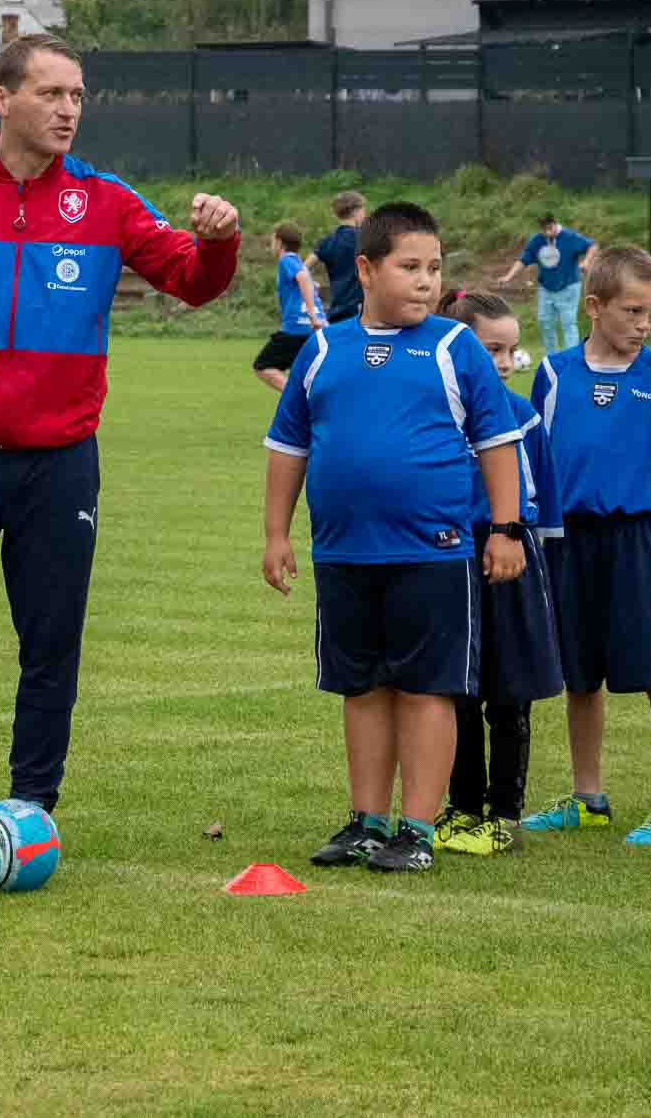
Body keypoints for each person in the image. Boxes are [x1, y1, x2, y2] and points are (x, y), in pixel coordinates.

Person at [0, 33, 241, 813]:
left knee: (51, 641)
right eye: (52, 93)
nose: (69, 109)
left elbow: (192, 280)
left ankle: (32, 803)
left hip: (60, 461)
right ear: (2, 98)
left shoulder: (106, 202)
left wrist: (219, 241)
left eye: (77, 95)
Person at [262, 205, 528, 874]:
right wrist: (276, 532)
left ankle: (417, 828)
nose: (425, 282)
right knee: (363, 687)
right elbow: (287, 445)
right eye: (409, 267)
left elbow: (497, 444)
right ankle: (366, 820)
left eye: (434, 268)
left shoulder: (453, 346)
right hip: (345, 553)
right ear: (366, 269)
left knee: (425, 689)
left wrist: (505, 527)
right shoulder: (323, 350)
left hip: (432, 552)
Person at [521, 246, 651, 848]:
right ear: (594, 307)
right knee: (580, 674)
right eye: (633, 311)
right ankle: (587, 796)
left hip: (636, 540)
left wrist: (641, 523)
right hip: (568, 542)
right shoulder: (554, 373)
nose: (645, 324)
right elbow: (541, 462)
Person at [433, 289, 565, 856]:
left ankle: (505, 811)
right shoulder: (434, 407)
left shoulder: (519, 412)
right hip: (449, 554)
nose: (506, 363)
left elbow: (547, 491)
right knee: (456, 688)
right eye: (493, 350)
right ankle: (461, 809)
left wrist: (542, 552)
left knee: (509, 691)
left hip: (511, 549)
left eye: (511, 351)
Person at [498, 213, 597, 353]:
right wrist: (508, 276)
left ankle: (572, 357)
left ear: (555, 224)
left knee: (568, 323)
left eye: (550, 228)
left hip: (568, 286)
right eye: (544, 230)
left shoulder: (569, 237)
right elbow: (523, 260)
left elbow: (592, 245)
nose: (547, 233)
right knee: (545, 322)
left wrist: (586, 262)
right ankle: (552, 357)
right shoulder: (537, 240)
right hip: (546, 288)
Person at [251, 220, 325, 392]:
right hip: (315, 329)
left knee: (263, 366)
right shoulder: (299, 262)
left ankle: (298, 399)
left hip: (297, 329)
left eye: (272, 240)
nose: (271, 244)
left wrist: (312, 314)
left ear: (279, 241)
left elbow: (303, 278)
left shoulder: (287, 260)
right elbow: (307, 282)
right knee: (304, 373)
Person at [306, 190, 366, 324]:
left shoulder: (327, 242)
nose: (364, 215)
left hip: (336, 313)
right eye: (363, 210)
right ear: (354, 211)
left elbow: (303, 269)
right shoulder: (365, 239)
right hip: (360, 312)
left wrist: (311, 286)